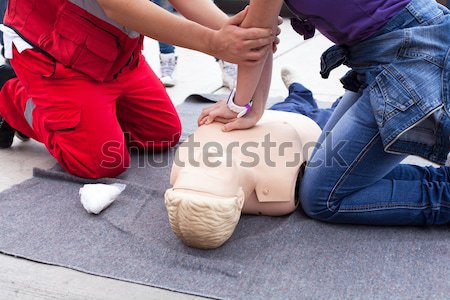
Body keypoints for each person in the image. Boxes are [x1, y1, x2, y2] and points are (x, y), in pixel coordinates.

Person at [198, 0, 450, 226]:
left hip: (412, 56)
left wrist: (236, 105)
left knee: (322, 198)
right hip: (388, 51)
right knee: (322, 169)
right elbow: (258, 38)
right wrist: (253, 107)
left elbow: (255, 40)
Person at [0, 0, 277, 179]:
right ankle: (10, 95)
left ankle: (90, 114)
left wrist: (236, 32)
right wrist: (215, 43)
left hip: (115, 54)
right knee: (101, 162)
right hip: (56, 56)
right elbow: (119, 6)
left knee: (163, 134)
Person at [166, 109, 322, 249]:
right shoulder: (279, 190)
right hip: (303, 121)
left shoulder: (181, 169)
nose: (207, 157)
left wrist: (240, 105)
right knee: (312, 108)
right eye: (213, 172)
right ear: (240, 199)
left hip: (254, 112)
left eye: (195, 167)